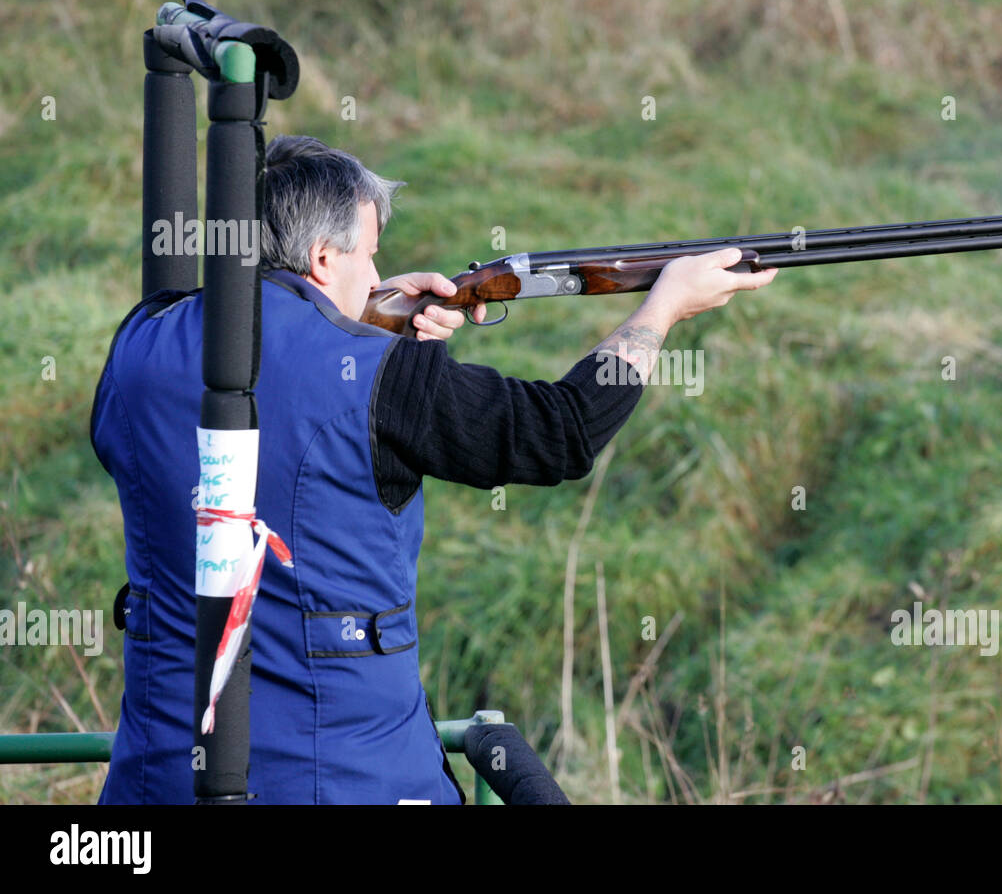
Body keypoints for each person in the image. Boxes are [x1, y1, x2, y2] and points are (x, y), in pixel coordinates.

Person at [91, 134, 777, 803]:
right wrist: (663, 310)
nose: (376, 274)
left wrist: (358, 322)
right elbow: (561, 432)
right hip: (349, 779)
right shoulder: (386, 378)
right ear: (324, 258)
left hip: (153, 780)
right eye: (369, 256)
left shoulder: (136, 346)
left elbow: (265, 383)